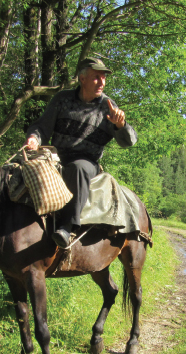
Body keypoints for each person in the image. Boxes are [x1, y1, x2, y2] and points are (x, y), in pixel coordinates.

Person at [25, 57, 138, 248]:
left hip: (87, 163)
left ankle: (67, 227)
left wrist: (121, 125)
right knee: (22, 171)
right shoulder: (62, 99)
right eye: (96, 77)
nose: (101, 82)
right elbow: (42, 127)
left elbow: (129, 141)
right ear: (82, 79)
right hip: (56, 158)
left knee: (78, 168)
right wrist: (34, 138)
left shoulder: (107, 106)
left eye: (103, 78)